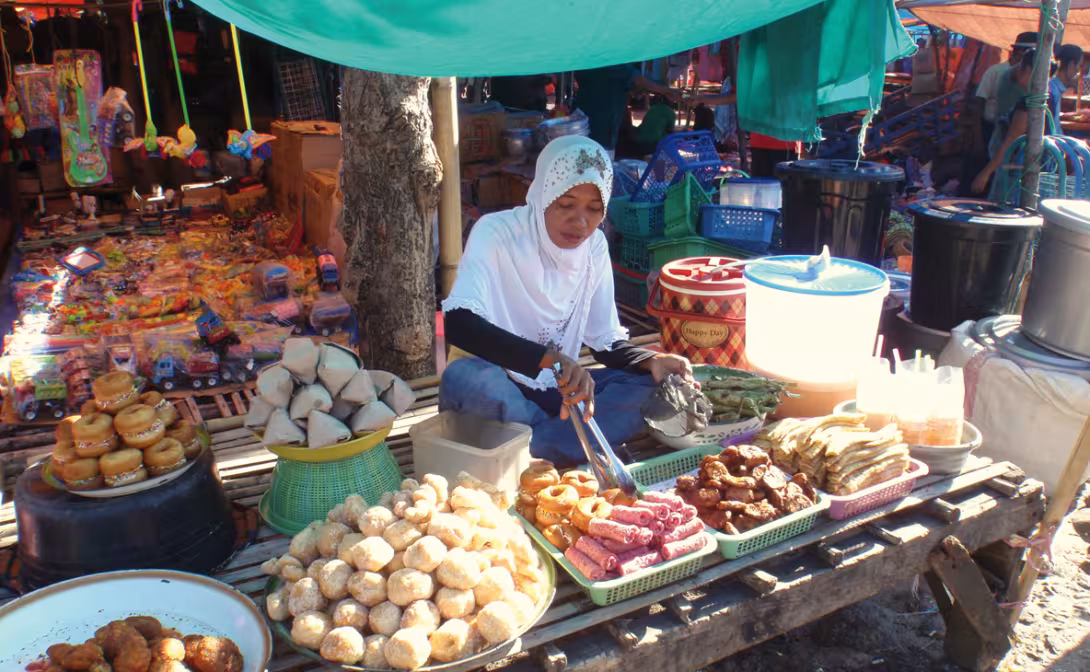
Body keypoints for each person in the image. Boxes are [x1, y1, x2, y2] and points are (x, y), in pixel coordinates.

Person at [439, 136, 695, 466]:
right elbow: (460, 324)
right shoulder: (498, 232)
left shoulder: (595, 248)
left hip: (562, 393)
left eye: (594, 209)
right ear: (544, 194)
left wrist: (650, 361)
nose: (581, 221)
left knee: (652, 386)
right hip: (504, 389)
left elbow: (605, 343)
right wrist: (552, 359)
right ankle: (568, 444)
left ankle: (529, 449)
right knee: (464, 379)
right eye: (566, 204)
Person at [574, 65, 680, 157]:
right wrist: (669, 92)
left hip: (587, 123)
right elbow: (637, 79)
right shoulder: (613, 61)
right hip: (602, 125)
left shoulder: (590, 63)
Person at [972, 50, 1036, 195]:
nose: (1016, 71)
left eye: (1020, 67)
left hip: (1015, 169)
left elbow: (1011, 141)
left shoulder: (1027, 104)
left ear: (1028, 70)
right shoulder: (1037, 97)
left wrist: (986, 173)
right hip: (1021, 167)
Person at [976, 32, 1038, 150]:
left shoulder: (1030, 76)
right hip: (993, 127)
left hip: (1015, 129)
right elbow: (980, 100)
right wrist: (977, 133)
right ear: (1020, 54)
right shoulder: (998, 72)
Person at [1050, 44, 1084, 125]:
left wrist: (1065, 115)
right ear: (1072, 65)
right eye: (1078, 66)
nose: (1078, 73)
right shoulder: (1053, 91)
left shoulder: (1054, 87)